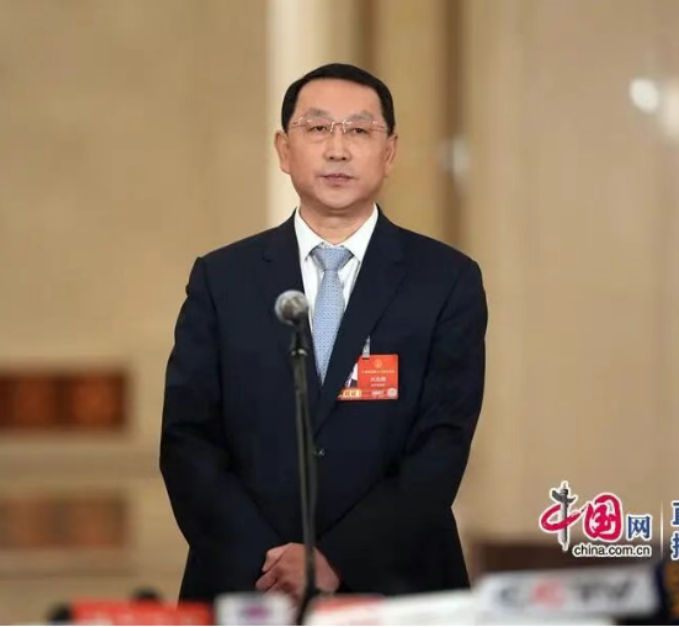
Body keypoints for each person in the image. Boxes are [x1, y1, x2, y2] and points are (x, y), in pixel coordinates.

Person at [160, 63, 487, 603]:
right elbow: (188, 441)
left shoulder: (446, 280)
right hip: (247, 587)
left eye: (359, 130)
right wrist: (268, 564)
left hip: (398, 588)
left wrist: (338, 559)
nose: (338, 150)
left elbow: (442, 444)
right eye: (317, 128)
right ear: (284, 150)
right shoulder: (222, 279)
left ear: (390, 152)